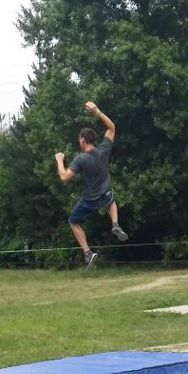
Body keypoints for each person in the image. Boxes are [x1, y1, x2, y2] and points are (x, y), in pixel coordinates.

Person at [55, 101, 128, 268]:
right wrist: (97, 111)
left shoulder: (80, 159)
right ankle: (115, 224)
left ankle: (88, 252)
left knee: (73, 221)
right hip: (104, 194)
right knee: (111, 201)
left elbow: (65, 177)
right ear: (94, 139)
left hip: (89, 199)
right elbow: (111, 128)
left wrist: (60, 161)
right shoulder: (103, 149)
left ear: (82, 140)